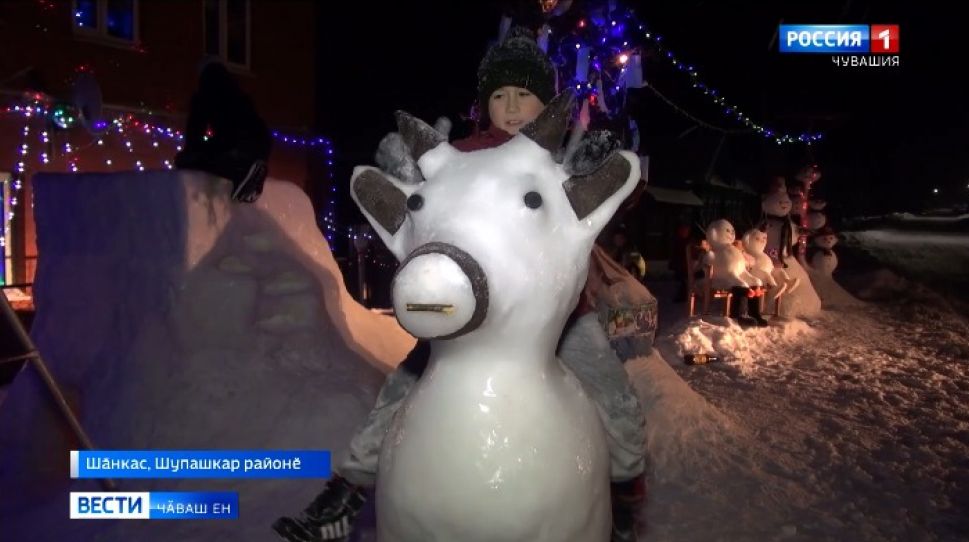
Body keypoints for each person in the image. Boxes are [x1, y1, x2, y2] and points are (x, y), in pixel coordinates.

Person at [273, 28, 646, 542]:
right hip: (466, 319)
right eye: (499, 95)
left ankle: (623, 496)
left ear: (545, 102)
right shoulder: (460, 157)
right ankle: (347, 490)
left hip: (563, 317)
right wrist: (406, 180)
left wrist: (602, 166)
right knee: (399, 392)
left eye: (524, 95)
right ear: (483, 103)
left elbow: (609, 199)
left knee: (611, 390)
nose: (511, 107)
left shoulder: (559, 157)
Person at [174, 59, 271, 203]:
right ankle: (248, 171)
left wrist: (188, 156)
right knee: (224, 152)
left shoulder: (204, 95)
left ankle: (241, 170)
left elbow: (195, 130)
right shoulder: (240, 94)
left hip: (235, 143)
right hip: (262, 143)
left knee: (200, 159)